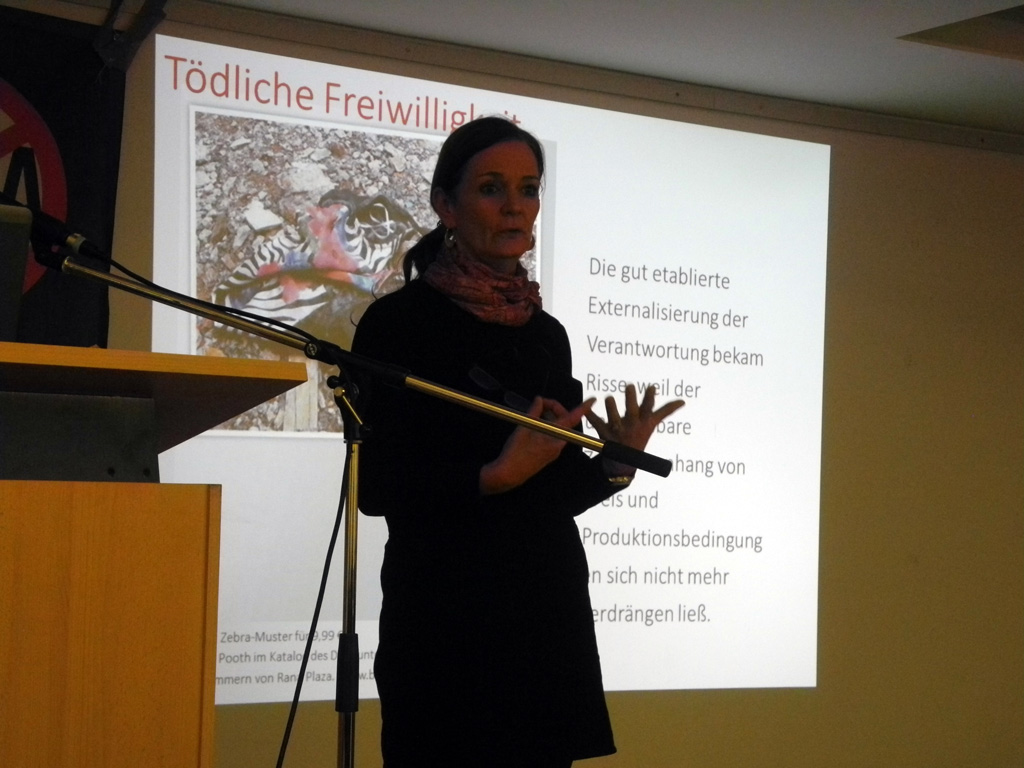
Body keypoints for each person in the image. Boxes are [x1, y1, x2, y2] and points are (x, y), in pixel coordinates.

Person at [351, 116, 683, 767]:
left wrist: (614, 464)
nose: (514, 206)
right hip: (446, 624)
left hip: (542, 618)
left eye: (528, 189)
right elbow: (377, 486)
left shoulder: (544, 334)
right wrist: (493, 476)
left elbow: (553, 492)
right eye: (491, 188)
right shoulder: (398, 325)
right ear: (445, 206)